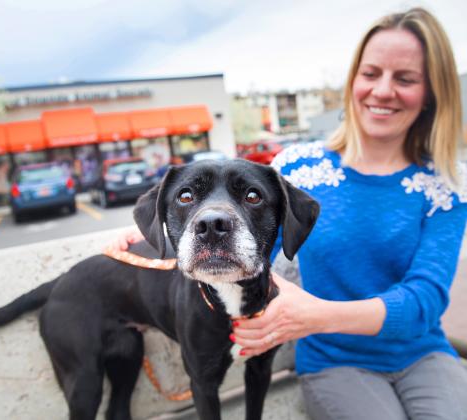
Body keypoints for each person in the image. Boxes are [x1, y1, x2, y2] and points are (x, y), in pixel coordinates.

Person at [110, 7, 467, 419]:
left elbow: (424, 300)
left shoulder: (446, 185)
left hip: (423, 354)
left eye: (405, 78)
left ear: (432, 93)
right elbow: (247, 243)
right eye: (370, 74)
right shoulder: (297, 169)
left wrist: (314, 314)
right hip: (333, 359)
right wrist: (141, 241)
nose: (382, 90)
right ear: (353, 80)